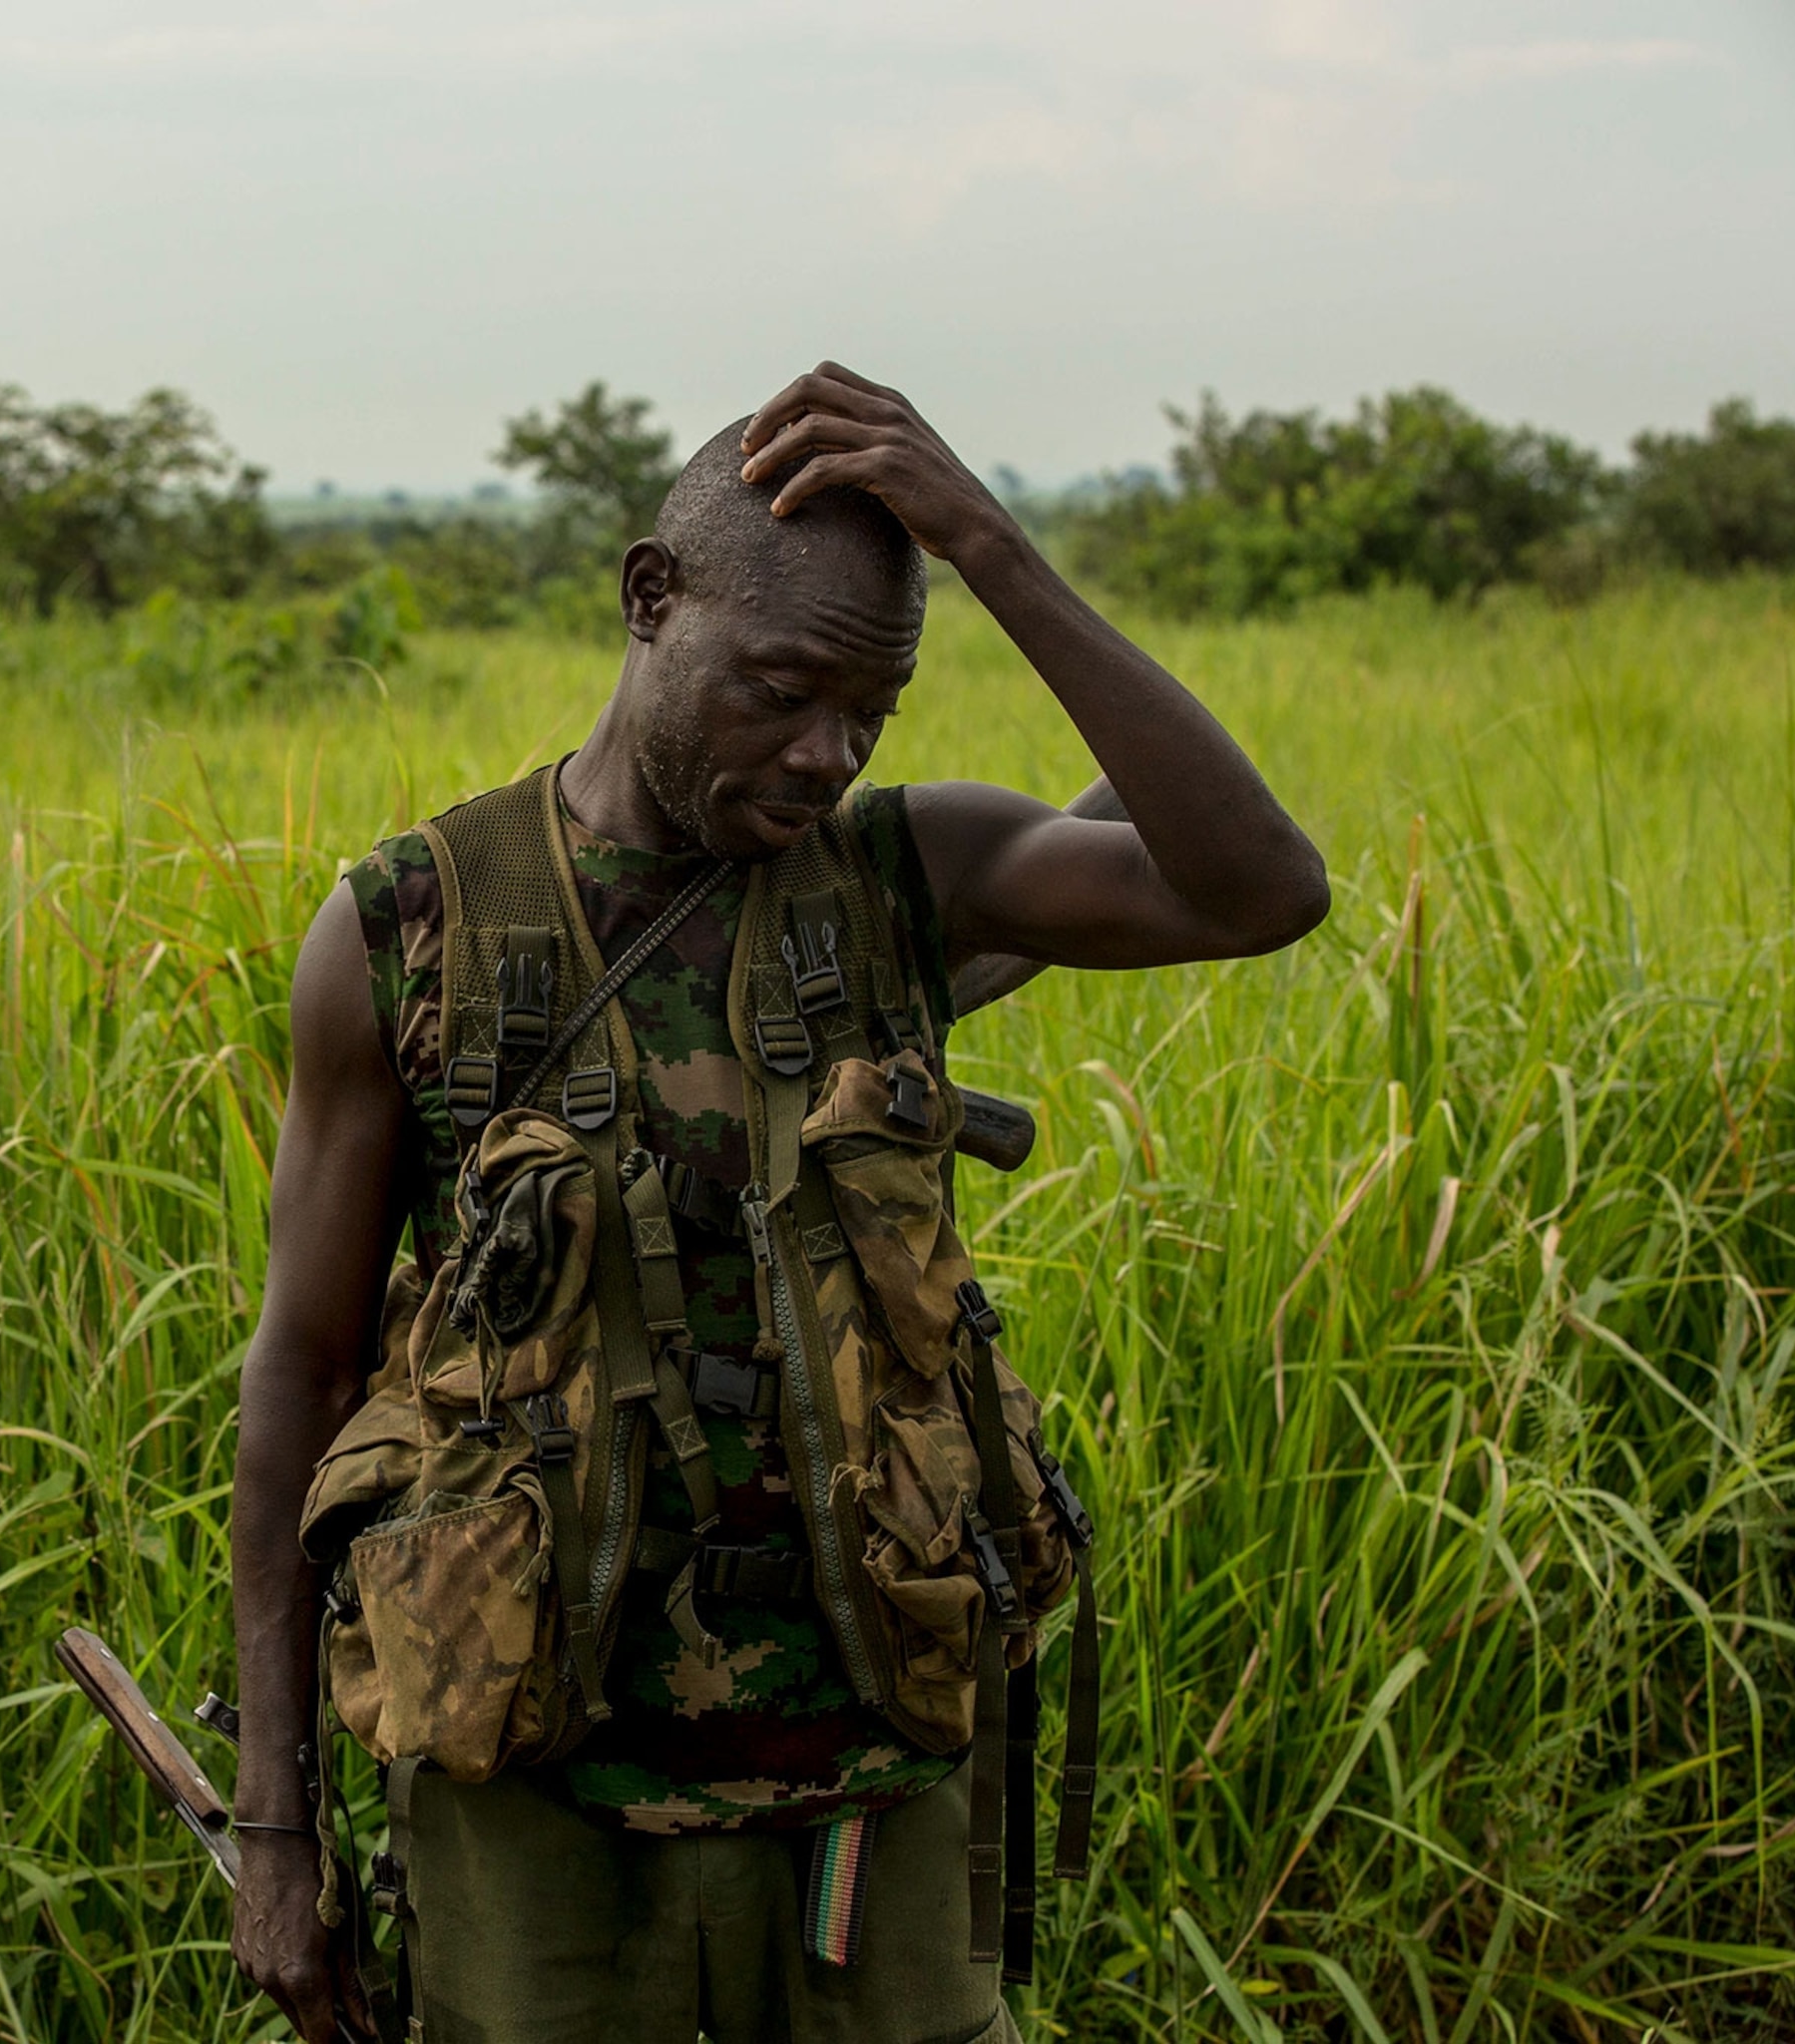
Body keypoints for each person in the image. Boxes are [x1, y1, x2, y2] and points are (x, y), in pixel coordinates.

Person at [228, 363, 1329, 2043]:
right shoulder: (413, 930)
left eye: (872, 711)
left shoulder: (907, 880)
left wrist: (989, 546)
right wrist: (276, 1825)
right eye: (784, 687)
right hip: (529, 1780)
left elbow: (1260, 886)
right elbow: (302, 1374)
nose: (827, 752)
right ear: (649, 599)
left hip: (876, 1762)